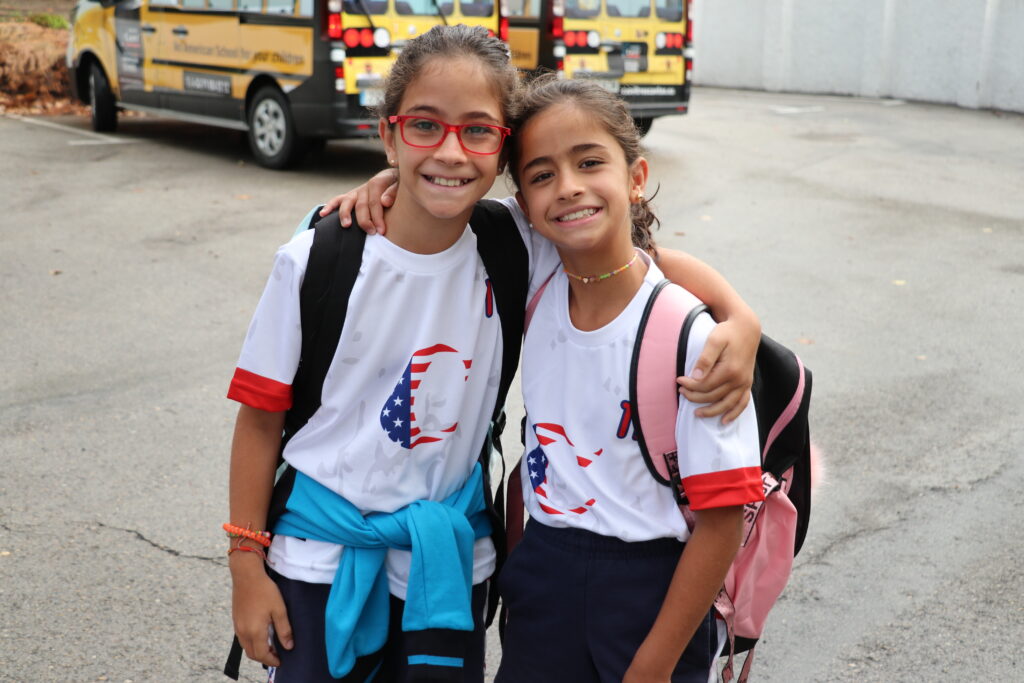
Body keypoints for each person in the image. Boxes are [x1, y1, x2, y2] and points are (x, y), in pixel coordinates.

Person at [228, 26, 758, 683]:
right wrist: (245, 566)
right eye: (424, 126)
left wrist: (739, 315)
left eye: (477, 131)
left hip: (451, 564)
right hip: (316, 562)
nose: (451, 151)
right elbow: (258, 420)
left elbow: (627, 258)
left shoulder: (515, 243)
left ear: (499, 147)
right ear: (389, 134)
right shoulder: (318, 259)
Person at [494, 75, 764, 683]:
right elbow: (441, 201)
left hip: (656, 592)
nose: (568, 186)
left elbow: (723, 522)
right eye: (541, 175)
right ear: (526, 206)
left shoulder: (690, 337)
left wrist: (654, 664)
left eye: (590, 162)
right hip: (543, 578)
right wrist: (383, 184)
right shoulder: (537, 279)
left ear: (636, 178)